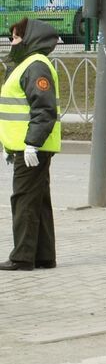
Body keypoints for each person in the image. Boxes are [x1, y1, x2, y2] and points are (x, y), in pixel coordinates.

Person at [2, 17, 60, 271]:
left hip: (32, 149)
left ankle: (22, 257)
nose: (11, 42)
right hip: (26, 147)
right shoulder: (28, 64)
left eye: (15, 38)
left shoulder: (35, 66)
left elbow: (43, 109)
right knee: (38, 200)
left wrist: (31, 144)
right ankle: (44, 255)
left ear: (30, 40)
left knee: (24, 199)